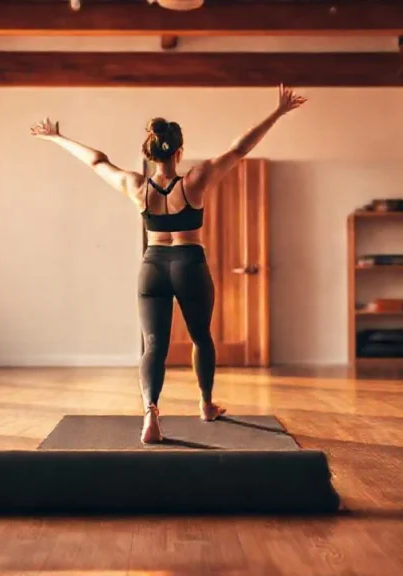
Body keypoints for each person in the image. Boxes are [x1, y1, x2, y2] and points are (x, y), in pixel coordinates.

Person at [30, 84, 308, 443]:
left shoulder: (136, 186)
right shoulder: (195, 181)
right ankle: (206, 404)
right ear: (179, 152)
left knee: (153, 345)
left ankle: (151, 413)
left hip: (153, 267)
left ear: (148, 151)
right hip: (189, 263)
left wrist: (57, 137)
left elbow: (97, 160)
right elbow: (240, 148)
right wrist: (278, 112)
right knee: (201, 337)